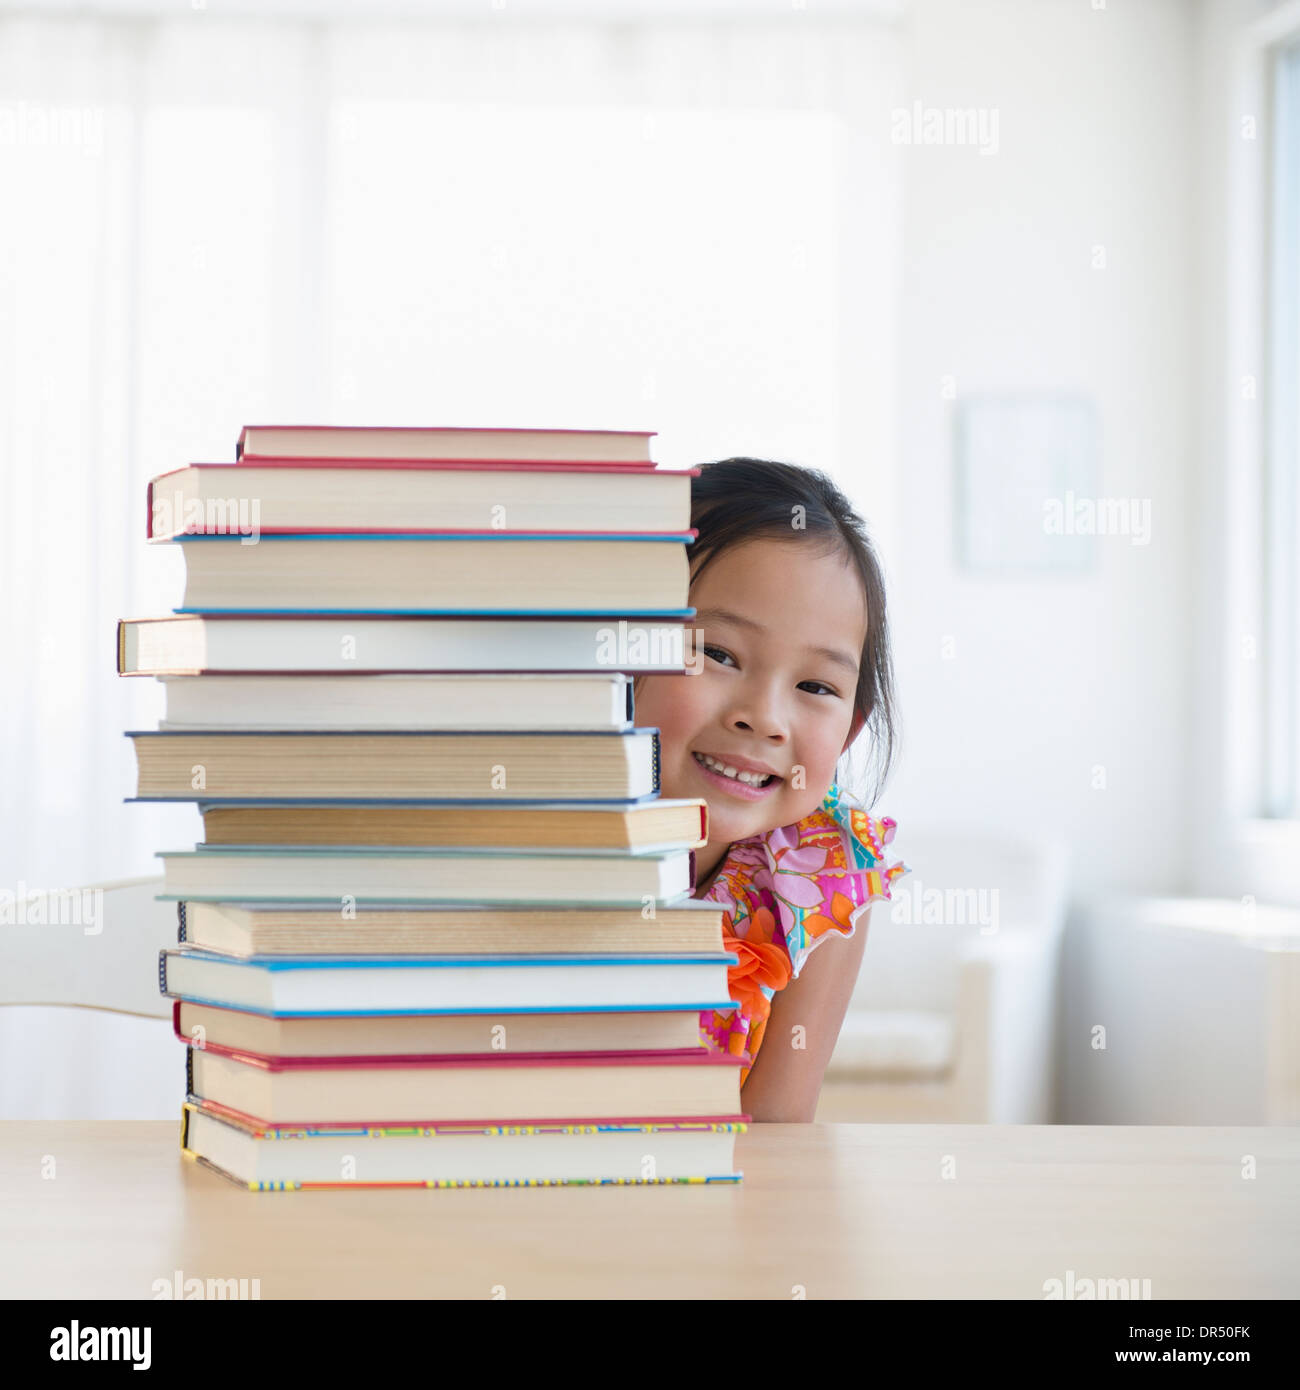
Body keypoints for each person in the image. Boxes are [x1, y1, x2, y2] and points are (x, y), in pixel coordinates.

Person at [633, 457, 909, 1121]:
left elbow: (778, 1133)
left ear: (848, 734)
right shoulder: (532, 819)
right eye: (719, 653)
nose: (763, 716)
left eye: (815, 687)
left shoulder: (828, 874)